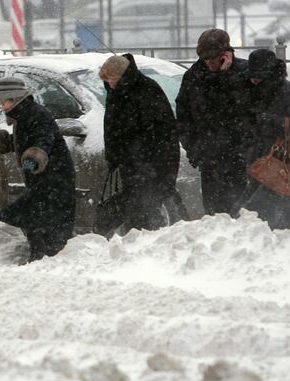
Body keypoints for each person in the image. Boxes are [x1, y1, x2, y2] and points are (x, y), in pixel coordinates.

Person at [0, 77, 76, 262]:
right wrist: (4, 142)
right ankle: (39, 260)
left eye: (4, 101)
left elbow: (43, 141)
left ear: (16, 98)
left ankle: (51, 262)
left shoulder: (37, 115)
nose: (1, 106)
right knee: (36, 221)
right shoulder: (22, 115)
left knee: (39, 219)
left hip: (55, 178)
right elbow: (25, 141)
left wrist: (32, 160)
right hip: (41, 179)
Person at [98, 53, 180, 233]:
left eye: (112, 79)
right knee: (134, 211)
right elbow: (113, 128)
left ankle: (146, 243)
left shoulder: (146, 90)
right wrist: (114, 157)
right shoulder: (117, 92)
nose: (110, 84)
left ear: (122, 76)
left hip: (148, 165)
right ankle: (136, 240)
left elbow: (162, 133)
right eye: (107, 80)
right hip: (130, 165)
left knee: (145, 211)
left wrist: (148, 162)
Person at [175, 29, 251, 216]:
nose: (209, 62)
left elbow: (245, 108)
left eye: (213, 58)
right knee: (215, 214)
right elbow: (184, 117)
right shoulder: (193, 76)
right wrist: (194, 150)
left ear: (226, 54)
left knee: (243, 213)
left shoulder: (244, 73)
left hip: (241, 157)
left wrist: (225, 77)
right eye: (205, 58)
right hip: (210, 158)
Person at [233, 49, 290, 230]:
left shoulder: (289, 91)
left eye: (258, 76)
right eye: (252, 76)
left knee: (269, 205)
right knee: (254, 205)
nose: (254, 80)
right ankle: (273, 236)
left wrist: (267, 120)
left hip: (286, 156)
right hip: (260, 156)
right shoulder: (251, 90)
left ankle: (282, 237)